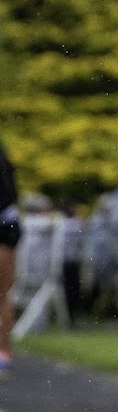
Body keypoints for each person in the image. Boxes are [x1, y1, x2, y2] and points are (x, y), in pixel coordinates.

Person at [0, 143, 21, 369]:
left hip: (5, 229)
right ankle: (4, 351)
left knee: (3, 294)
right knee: (4, 295)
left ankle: (4, 351)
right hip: (8, 228)